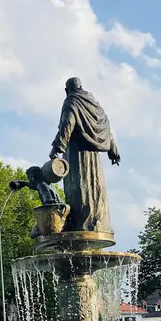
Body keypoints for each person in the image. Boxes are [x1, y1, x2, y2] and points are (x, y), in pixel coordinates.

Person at [50, 77, 120, 233]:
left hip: (76, 155)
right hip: (94, 155)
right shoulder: (94, 104)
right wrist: (112, 148)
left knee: (78, 188)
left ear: (66, 90)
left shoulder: (71, 101)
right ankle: (98, 223)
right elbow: (104, 126)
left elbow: (67, 124)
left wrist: (57, 147)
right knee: (96, 187)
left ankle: (79, 224)